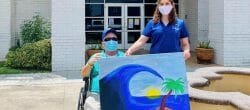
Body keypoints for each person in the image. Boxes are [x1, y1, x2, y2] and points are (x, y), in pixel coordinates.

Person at [126, 0, 191, 60]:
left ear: (172, 5)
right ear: (158, 7)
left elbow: (185, 43)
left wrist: (186, 51)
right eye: (161, 4)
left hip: (174, 59)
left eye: (167, 4)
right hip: (156, 59)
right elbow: (141, 41)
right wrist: (130, 50)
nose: (164, 6)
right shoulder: (152, 23)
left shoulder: (180, 23)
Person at [80, 28, 125, 110]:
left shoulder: (123, 57)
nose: (111, 41)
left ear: (117, 42)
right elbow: (84, 75)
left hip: (119, 95)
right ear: (103, 44)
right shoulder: (96, 57)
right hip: (97, 96)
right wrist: (90, 64)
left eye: (114, 39)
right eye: (107, 39)